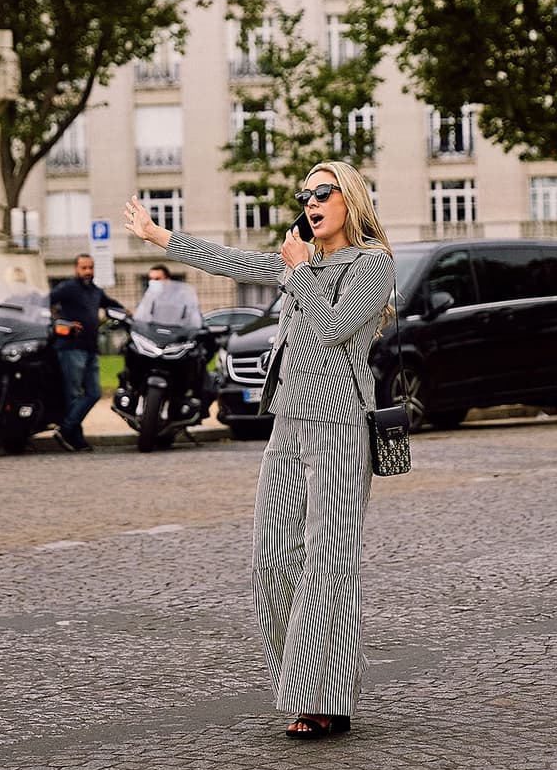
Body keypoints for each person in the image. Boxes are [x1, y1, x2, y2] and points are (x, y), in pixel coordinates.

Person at [124, 160, 395, 739]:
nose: (312, 201)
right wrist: (161, 238)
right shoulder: (305, 259)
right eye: (306, 193)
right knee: (273, 563)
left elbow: (334, 327)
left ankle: (326, 698)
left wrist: (299, 274)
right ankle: (303, 687)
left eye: (323, 191)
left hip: (340, 428)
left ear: (349, 199)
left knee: (328, 564)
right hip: (289, 427)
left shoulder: (373, 266)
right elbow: (232, 261)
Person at [51, 254, 124, 452]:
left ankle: (66, 429)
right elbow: (47, 302)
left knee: (94, 393)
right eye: (84, 268)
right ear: (76, 269)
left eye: (90, 267)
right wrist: (59, 322)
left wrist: (132, 313)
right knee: (73, 394)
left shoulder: (94, 291)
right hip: (70, 348)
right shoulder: (67, 288)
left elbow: (112, 304)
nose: (88, 272)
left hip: (91, 348)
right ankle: (75, 438)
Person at [133, 262, 203, 328]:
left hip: (177, 336)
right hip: (155, 336)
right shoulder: (149, 298)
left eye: (157, 279)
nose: (153, 282)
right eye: (151, 279)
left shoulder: (181, 296)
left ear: (167, 280)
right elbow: (142, 318)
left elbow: (193, 318)